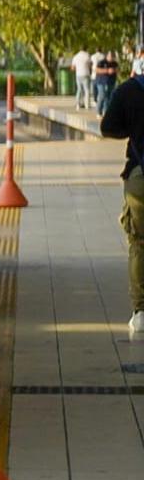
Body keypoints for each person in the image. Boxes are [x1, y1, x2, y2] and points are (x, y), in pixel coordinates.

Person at [100, 70, 144, 334]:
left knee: (139, 243)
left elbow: (108, 128)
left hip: (140, 175)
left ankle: (141, 311)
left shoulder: (129, 90)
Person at [96, 51, 120, 117]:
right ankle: (99, 112)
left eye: (112, 56)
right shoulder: (101, 62)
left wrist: (114, 70)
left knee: (109, 97)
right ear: (107, 56)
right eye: (110, 56)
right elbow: (97, 70)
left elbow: (117, 70)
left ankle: (106, 112)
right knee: (102, 96)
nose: (111, 58)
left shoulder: (114, 63)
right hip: (101, 82)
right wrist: (107, 71)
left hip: (111, 82)